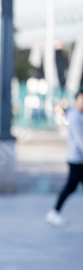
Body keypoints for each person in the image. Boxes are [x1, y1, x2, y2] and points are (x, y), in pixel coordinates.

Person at [46, 88, 83, 226]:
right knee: (70, 186)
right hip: (77, 159)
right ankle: (54, 212)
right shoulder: (74, 116)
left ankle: (54, 212)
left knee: (71, 187)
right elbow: (80, 140)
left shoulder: (79, 115)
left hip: (78, 159)